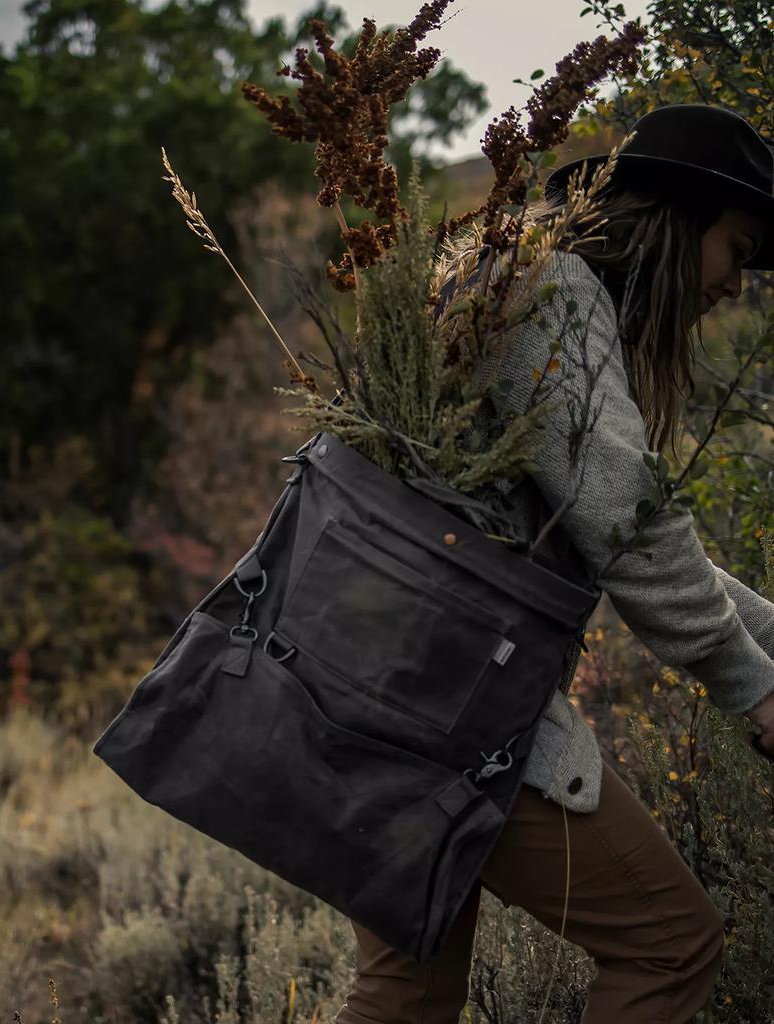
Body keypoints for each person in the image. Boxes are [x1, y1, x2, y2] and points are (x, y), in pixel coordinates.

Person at [334, 103, 774, 1024]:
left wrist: (764, 639)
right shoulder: (551, 289)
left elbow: (603, 530)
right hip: (446, 707)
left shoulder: (515, 277)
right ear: (677, 222)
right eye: (738, 245)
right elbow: (625, 524)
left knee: (406, 993)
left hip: (378, 678)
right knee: (668, 946)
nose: (737, 281)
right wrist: (753, 689)